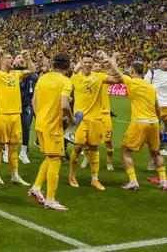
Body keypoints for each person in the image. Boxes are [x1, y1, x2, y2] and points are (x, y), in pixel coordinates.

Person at [68, 51, 121, 191]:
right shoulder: (74, 78)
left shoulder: (99, 77)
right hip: (80, 120)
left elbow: (118, 79)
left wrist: (110, 60)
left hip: (96, 119)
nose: (88, 65)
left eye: (90, 63)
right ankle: (72, 175)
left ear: (93, 64)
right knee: (78, 146)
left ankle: (94, 179)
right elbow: (66, 95)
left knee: (94, 148)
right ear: (81, 63)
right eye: (85, 62)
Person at [28, 53, 76, 211]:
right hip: (53, 126)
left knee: (49, 157)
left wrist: (40, 116)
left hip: (40, 124)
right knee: (56, 159)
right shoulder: (66, 81)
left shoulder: (42, 78)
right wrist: (70, 118)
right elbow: (64, 104)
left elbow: (34, 101)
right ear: (67, 66)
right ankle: (50, 199)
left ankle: (36, 188)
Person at [0, 47, 35, 186]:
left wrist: (28, 57)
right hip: (2, 115)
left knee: (13, 147)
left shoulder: (15, 74)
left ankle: (15, 175)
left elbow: (32, 70)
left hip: (16, 115)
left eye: (13, 58)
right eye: (9, 58)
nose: (12, 60)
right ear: (2, 61)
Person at [120, 62, 166, 191]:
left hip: (140, 122)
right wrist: (158, 122)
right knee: (156, 152)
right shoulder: (151, 87)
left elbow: (116, 72)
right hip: (154, 123)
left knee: (125, 150)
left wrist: (111, 58)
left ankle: (133, 182)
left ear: (132, 72)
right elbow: (157, 107)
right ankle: (164, 181)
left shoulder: (131, 81)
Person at [145, 54, 167, 159]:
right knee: (155, 130)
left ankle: (162, 147)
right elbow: (144, 87)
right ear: (159, 61)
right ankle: (154, 148)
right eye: (165, 60)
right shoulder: (152, 73)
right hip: (156, 106)